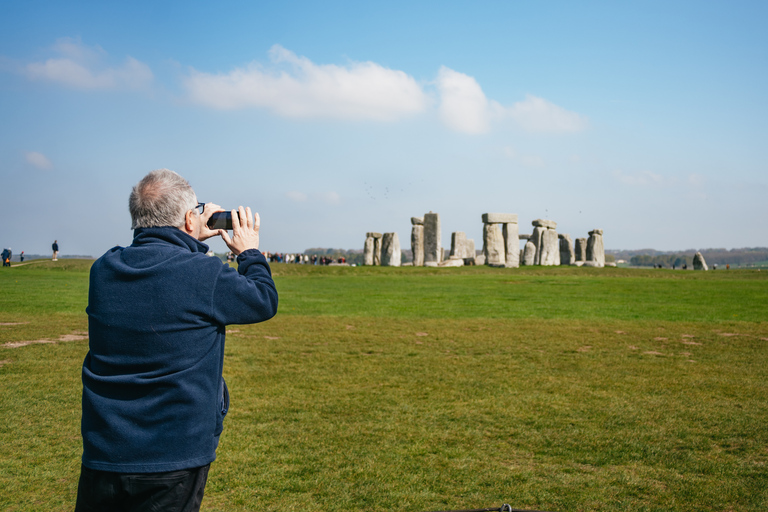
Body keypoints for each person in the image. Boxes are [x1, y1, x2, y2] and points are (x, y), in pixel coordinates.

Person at [75, 169, 278, 511]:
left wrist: (189, 231)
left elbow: (162, 271)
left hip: (105, 450)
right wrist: (249, 253)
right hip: (173, 453)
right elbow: (262, 299)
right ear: (188, 219)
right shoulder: (202, 274)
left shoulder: (104, 269)